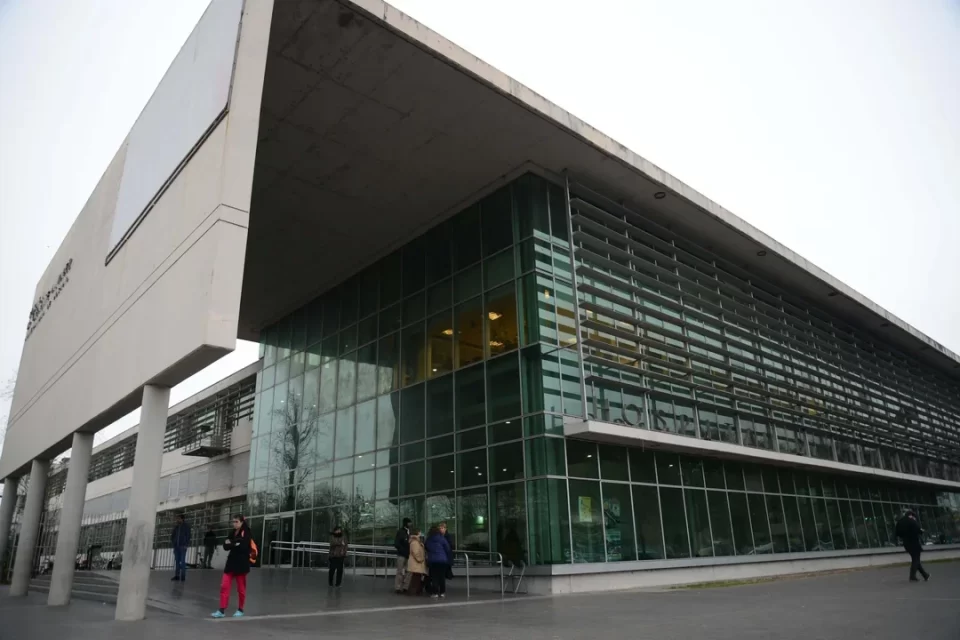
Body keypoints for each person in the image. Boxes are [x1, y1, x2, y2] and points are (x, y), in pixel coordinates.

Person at [212, 515, 252, 618]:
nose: (234, 524)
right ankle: (221, 610)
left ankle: (240, 609)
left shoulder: (246, 532)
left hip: (241, 564)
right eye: (233, 522)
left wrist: (232, 543)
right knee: (224, 586)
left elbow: (243, 545)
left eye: (236, 522)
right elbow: (225, 545)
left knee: (241, 589)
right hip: (231, 563)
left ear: (242, 522)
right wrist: (235, 543)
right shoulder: (232, 532)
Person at [896, 509, 929, 582]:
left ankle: (925, 575)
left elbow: (897, 533)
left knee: (915, 560)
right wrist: (921, 531)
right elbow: (918, 530)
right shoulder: (911, 521)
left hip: (906, 543)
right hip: (914, 542)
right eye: (914, 516)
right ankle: (912, 576)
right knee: (916, 560)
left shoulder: (900, 522)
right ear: (911, 515)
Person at [425, 522, 453, 599]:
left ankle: (435, 593)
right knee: (442, 577)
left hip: (433, 561)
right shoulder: (442, 538)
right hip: (443, 560)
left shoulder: (429, 540)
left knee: (434, 577)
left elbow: (426, 547)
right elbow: (447, 548)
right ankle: (442, 592)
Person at [393, 517, 412, 593]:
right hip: (401, 555)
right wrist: (402, 550)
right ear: (406, 523)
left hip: (409, 555)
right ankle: (398, 587)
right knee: (400, 571)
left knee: (409, 571)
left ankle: (406, 587)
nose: (410, 524)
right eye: (409, 523)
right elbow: (396, 543)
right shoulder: (400, 532)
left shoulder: (410, 532)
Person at [406, 528, 427, 595]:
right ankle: (413, 592)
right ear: (417, 533)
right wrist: (421, 559)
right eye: (420, 532)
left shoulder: (416, 541)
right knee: (415, 579)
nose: (421, 533)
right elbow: (416, 553)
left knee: (416, 578)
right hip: (416, 563)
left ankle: (415, 591)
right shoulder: (415, 542)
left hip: (416, 564)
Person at [170, 513, 191, 582]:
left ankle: (183, 576)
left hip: (182, 546)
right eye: (177, 518)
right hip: (176, 547)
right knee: (177, 561)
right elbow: (172, 536)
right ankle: (177, 576)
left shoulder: (186, 526)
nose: (177, 520)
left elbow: (188, 536)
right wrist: (174, 543)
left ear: (182, 519)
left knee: (182, 561)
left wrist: (186, 545)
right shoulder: (176, 527)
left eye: (179, 518)